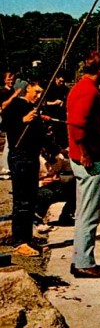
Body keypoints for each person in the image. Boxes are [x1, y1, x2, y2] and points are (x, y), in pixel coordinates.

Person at [66, 51, 100, 278]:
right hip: (89, 160)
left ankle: (81, 258)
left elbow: (83, 124)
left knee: (83, 211)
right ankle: (84, 262)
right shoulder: (88, 91)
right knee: (89, 213)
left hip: (87, 155)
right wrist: (85, 152)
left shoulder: (80, 87)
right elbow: (76, 125)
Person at [2, 82, 49, 256]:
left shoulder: (34, 108)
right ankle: (19, 241)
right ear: (28, 88)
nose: (38, 96)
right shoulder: (16, 105)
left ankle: (27, 239)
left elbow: (40, 135)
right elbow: (4, 125)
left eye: (41, 93)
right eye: (36, 92)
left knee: (30, 199)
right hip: (19, 157)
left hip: (32, 157)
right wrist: (23, 120)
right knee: (21, 200)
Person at [0, 71, 20, 177]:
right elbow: (3, 105)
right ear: (4, 80)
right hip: (7, 120)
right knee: (9, 144)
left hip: (14, 119)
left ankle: (8, 166)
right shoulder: (3, 91)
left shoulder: (12, 90)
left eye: (12, 79)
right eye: (9, 79)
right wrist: (14, 96)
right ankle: (6, 167)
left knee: (10, 143)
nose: (11, 81)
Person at [42, 74, 69, 148]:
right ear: (56, 79)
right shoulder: (49, 88)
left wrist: (64, 103)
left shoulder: (65, 89)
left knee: (62, 132)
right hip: (49, 112)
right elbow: (43, 103)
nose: (61, 83)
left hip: (60, 113)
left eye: (63, 82)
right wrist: (54, 103)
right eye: (60, 81)